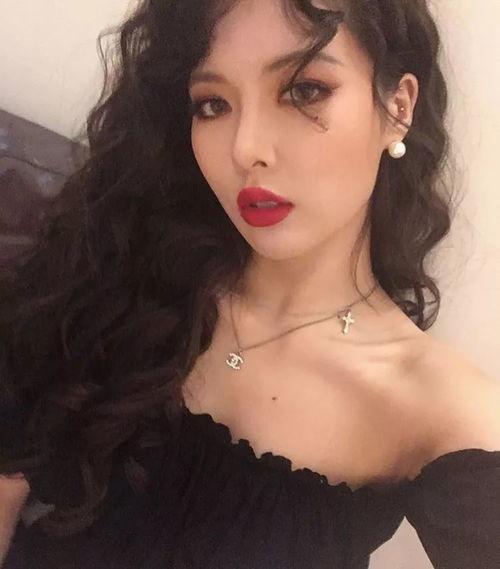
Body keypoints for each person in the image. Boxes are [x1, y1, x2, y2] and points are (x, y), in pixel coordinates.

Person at [0, 0, 499, 567]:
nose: (244, 148)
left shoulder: (438, 411)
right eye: (212, 104)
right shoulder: (123, 272)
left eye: (305, 90)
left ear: (397, 107)